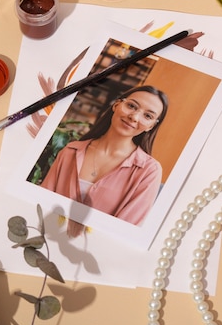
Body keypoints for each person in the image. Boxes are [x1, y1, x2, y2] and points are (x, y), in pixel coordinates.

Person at [40, 85, 168, 237]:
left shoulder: (149, 171)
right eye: (131, 106)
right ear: (116, 105)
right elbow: (40, 202)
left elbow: (123, 232)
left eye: (148, 116)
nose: (134, 117)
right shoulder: (70, 151)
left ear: (151, 126)